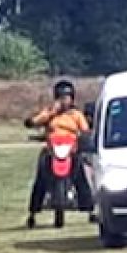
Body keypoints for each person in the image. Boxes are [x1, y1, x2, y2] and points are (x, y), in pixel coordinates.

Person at [24, 79, 95, 228]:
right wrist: (49, 114)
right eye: (61, 97)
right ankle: (33, 212)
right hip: (53, 149)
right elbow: (35, 121)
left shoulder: (76, 115)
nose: (64, 101)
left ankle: (90, 210)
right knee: (41, 173)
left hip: (71, 149)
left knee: (81, 173)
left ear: (72, 98)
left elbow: (85, 130)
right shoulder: (50, 113)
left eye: (67, 97)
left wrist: (85, 137)